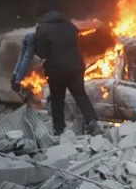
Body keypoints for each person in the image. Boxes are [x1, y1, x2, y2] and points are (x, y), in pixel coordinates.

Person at [34, 8, 102, 136]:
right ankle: (92, 121)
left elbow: (40, 51)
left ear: (41, 16)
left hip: (56, 69)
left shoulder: (42, 29)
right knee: (80, 95)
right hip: (76, 67)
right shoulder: (69, 25)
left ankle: (59, 129)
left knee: (57, 99)